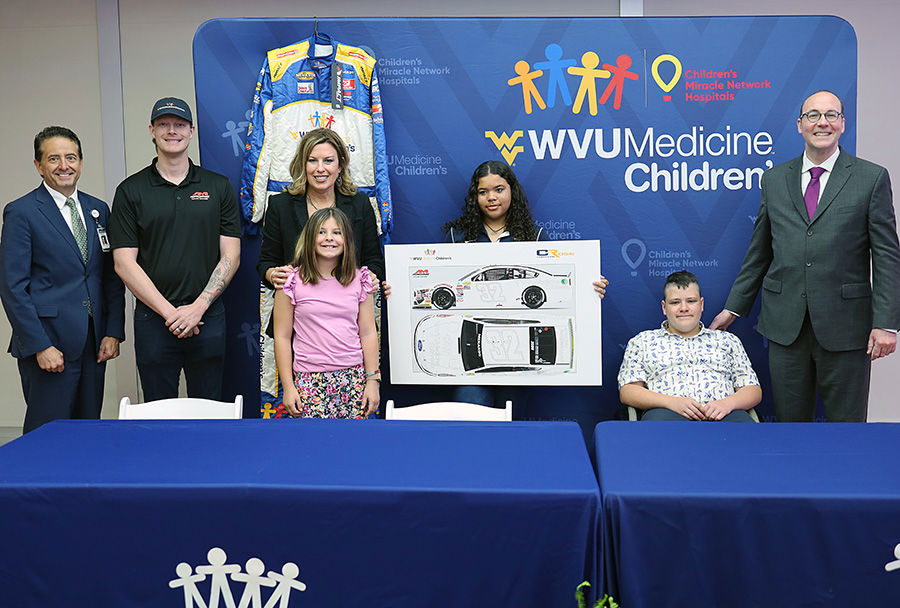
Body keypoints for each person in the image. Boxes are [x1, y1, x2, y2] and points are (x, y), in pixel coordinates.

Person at [710, 90, 900, 422]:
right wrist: (734, 307)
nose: (822, 122)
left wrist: (886, 324)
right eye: (813, 115)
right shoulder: (774, 179)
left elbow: (887, 256)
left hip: (847, 327)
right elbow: (759, 252)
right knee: (790, 429)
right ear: (800, 125)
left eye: (831, 115)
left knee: (847, 430)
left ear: (842, 123)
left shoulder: (871, 178)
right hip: (785, 327)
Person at [440, 160, 608, 406]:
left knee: (510, 419)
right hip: (470, 341)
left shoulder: (534, 237)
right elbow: (441, 286)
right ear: (475, 196)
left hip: (518, 350)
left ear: (512, 191)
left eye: (499, 189)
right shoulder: (457, 237)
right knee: (471, 409)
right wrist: (401, 291)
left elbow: (557, 285)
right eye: (483, 192)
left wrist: (588, 287)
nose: (491, 197)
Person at [108, 97, 241, 401]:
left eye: (179, 124)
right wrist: (172, 314)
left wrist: (197, 308)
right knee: (158, 411)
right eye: (164, 124)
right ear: (152, 130)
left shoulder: (218, 186)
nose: (172, 131)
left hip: (207, 317)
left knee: (208, 410)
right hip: (154, 320)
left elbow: (231, 255)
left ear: (191, 131)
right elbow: (123, 263)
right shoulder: (130, 190)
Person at [0, 126, 125, 432]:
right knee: (48, 434)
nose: (64, 165)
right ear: (38, 165)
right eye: (53, 158)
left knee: (87, 432)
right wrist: (40, 345)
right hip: (49, 345)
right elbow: (13, 288)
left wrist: (112, 331)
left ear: (81, 162)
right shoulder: (22, 212)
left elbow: (110, 277)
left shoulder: (98, 209)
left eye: (71, 157)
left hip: (93, 344)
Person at [273, 207, 379, 418]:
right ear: (310, 238)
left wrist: (372, 381)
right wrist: (289, 386)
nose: (329, 238)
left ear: (347, 240)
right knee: (312, 439)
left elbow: (368, 333)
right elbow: (282, 337)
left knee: (353, 438)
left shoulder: (361, 280)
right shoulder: (290, 281)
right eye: (321, 232)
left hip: (354, 379)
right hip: (308, 381)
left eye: (337, 232)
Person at [619, 271, 761, 422]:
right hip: (666, 417)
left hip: (724, 417)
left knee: (744, 425)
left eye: (691, 301)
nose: (684, 308)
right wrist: (671, 402)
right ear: (664, 307)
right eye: (675, 302)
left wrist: (727, 404)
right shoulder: (642, 342)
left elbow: (752, 389)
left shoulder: (728, 340)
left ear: (701, 304)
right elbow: (628, 391)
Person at [257, 127, 384, 290]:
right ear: (303, 164)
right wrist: (273, 274)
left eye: (328, 161)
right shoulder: (280, 205)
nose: (320, 168)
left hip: (348, 299)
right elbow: (267, 262)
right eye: (312, 160)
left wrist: (370, 277)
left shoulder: (360, 204)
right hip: (295, 301)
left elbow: (374, 261)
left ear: (340, 165)